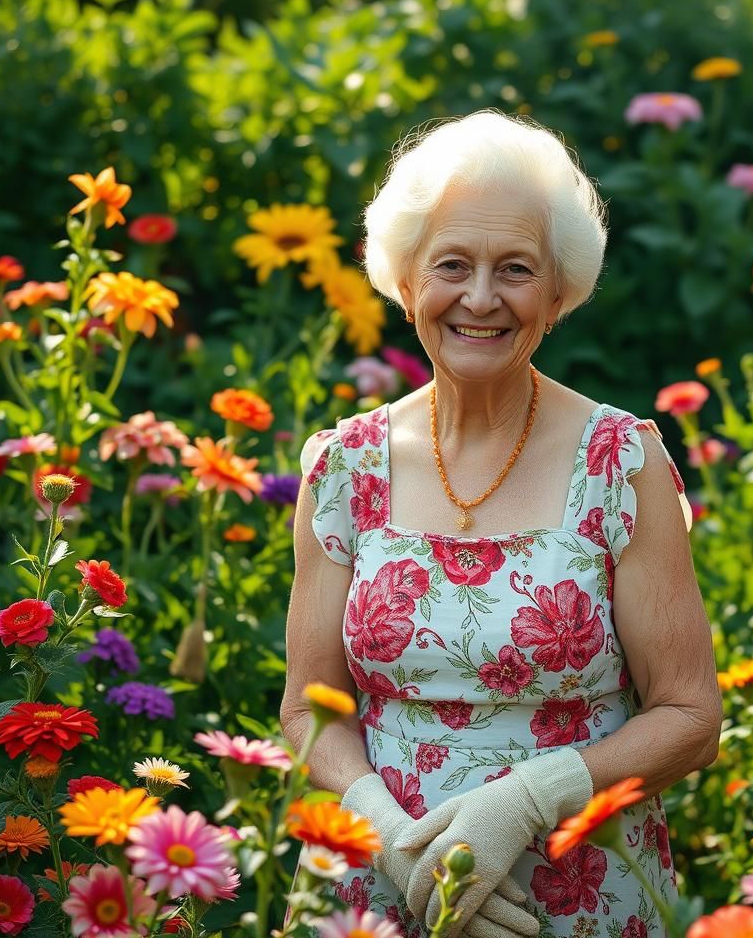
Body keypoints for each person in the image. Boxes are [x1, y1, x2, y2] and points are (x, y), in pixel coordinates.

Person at [281, 110, 722, 938]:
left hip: (571, 896)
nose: (479, 298)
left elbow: (691, 718)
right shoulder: (343, 467)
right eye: (451, 264)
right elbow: (311, 709)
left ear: (559, 293)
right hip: (377, 897)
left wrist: (525, 801)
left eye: (515, 269)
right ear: (406, 281)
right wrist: (396, 842)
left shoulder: (619, 463)